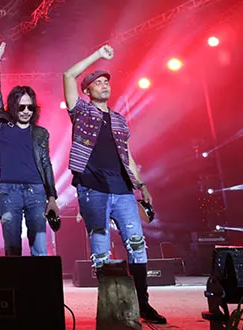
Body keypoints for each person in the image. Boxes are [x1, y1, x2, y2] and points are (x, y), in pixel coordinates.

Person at [63, 44, 166, 324]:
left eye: (106, 81)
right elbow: (68, 75)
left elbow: (127, 154)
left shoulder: (119, 119)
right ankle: (109, 306)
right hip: (92, 188)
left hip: (122, 190)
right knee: (101, 249)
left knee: (137, 243)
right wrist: (98, 55)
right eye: (97, 82)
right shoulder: (81, 111)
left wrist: (141, 185)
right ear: (87, 90)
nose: (104, 85)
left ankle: (143, 304)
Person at [0, 42, 59, 256]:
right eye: (21, 106)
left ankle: (39, 280)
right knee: (12, 248)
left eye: (30, 107)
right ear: (13, 107)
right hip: (9, 191)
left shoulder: (40, 133)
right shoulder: (3, 124)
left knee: (39, 248)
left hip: (36, 192)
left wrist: (52, 197)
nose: (26, 111)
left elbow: (46, 164)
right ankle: (16, 279)